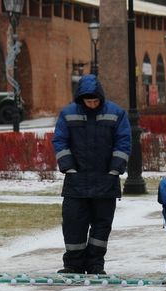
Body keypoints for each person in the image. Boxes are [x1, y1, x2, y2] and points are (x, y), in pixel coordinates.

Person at [52, 74, 131, 274]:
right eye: (89, 101)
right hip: (76, 180)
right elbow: (60, 141)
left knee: (101, 226)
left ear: (101, 98)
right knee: (73, 223)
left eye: (96, 101)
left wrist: (115, 169)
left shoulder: (116, 113)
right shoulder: (68, 114)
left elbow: (124, 141)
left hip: (106, 179)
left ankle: (96, 263)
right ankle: (73, 264)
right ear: (81, 99)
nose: (93, 104)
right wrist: (68, 166)